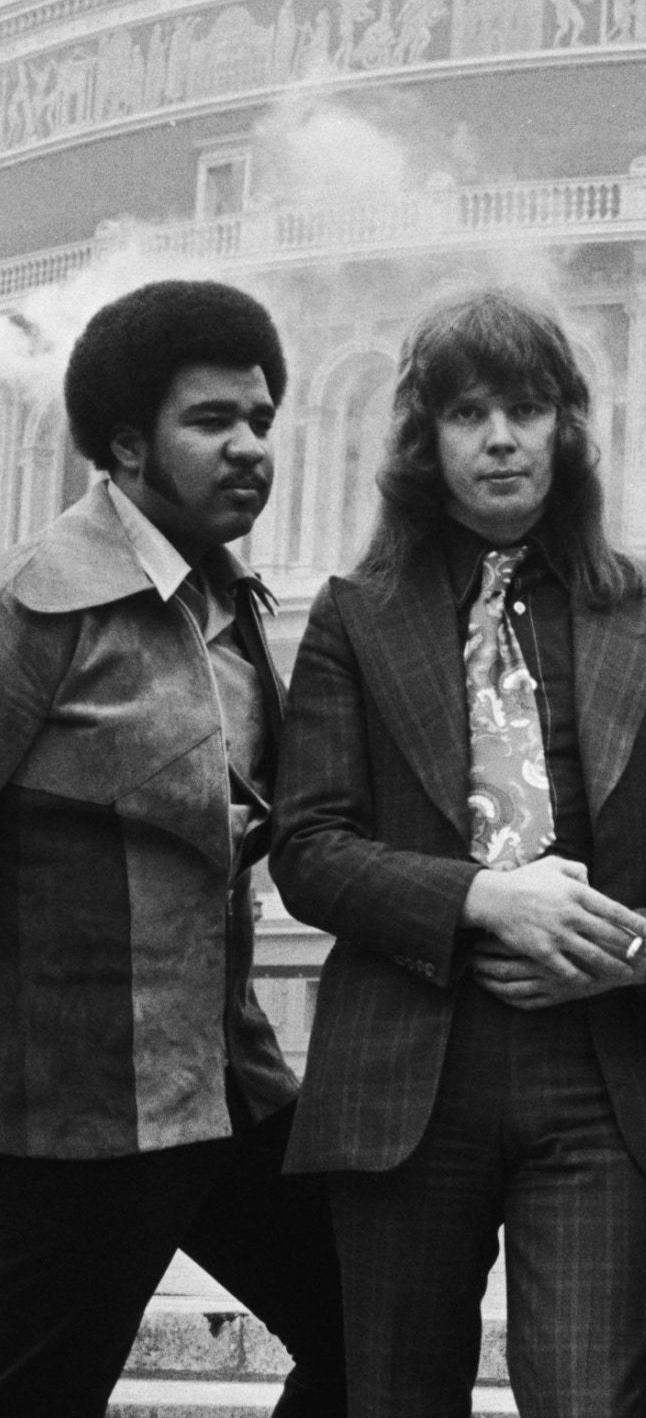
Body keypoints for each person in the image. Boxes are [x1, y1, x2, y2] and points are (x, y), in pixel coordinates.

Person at [271, 289, 646, 1416]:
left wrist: (633, 951)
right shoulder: (358, 614)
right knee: (393, 1396)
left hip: (600, 1072)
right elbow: (309, 846)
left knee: (590, 1399)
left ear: (567, 428)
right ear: (424, 440)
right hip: (408, 1070)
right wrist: (486, 902)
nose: (500, 438)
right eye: (467, 413)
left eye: (527, 409)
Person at [0, 281, 346, 1417]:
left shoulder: (231, 600)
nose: (250, 449)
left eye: (262, 422)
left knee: (374, 1324)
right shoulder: (36, 607)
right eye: (213, 422)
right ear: (126, 444)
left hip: (230, 1085)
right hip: (76, 1118)